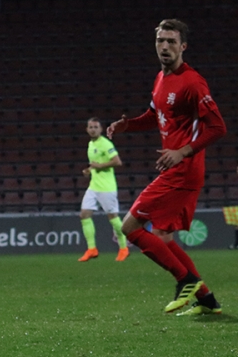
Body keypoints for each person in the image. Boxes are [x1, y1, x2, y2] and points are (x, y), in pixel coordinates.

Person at [107, 19, 226, 315]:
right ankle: (207, 300)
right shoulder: (160, 78)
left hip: (183, 171)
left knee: (130, 227)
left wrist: (182, 151)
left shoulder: (193, 82)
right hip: (174, 170)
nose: (165, 46)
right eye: (161, 40)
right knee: (163, 237)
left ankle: (185, 280)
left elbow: (217, 128)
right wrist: (128, 125)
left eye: (171, 41)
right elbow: (155, 114)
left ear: (183, 46)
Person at [77, 117, 130, 262]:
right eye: (90, 127)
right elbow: (95, 163)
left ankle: (124, 248)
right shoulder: (90, 144)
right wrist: (89, 170)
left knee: (113, 218)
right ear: (87, 129)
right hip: (94, 186)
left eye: (96, 127)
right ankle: (92, 249)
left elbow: (117, 161)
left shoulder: (106, 144)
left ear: (101, 129)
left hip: (107, 187)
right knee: (84, 214)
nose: (93, 130)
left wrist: (100, 166)